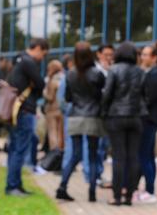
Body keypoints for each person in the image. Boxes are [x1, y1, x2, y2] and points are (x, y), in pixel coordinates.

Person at [56, 42, 106, 203]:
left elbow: (68, 98)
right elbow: (102, 96)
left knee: (75, 155)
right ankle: (92, 192)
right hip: (92, 117)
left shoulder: (70, 74)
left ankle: (62, 186)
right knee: (92, 156)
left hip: (75, 117)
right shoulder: (97, 74)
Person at [102, 41, 146, 206]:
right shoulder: (140, 72)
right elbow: (145, 96)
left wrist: (104, 112)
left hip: (117, 116)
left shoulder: (114, 70)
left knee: (119, 157)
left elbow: (107, 94)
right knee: (133, 157)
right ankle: (129, 195)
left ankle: (117, 196)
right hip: (135, 117)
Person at [5, 38, 49, 197]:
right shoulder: (28, 62)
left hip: (16, 111)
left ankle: (15, 184)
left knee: (15, 148)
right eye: (43, 54)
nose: (42, 58)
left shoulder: (18, 60)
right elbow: (41, 84)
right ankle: (13, 186)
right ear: (37, 48)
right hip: (24, 111)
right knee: (19, 149)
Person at [136, 40, 157, 204]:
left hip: (149, 119)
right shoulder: (153, 73)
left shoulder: (155, 75)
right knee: (147, 155)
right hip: (149, 118)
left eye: (145, 55)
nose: (142, 57)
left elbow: (149, 98)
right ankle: (148, 189)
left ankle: (149, 190)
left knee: (144, 156)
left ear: (154, 58)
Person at [94, 44, 115, 188]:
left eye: (111, 54)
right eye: (106, 54)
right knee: (97, 147)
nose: (108, 57)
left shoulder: (112, 71)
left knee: (104, 147)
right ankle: (95, 175)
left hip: (109, 115)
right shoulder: (94, 71)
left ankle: (98, 174)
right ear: (99, 54)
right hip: (97, 115)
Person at [44, 60, 64, 151]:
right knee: (61, 134)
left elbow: (50, 97)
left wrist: (44, 92)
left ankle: (54, 154)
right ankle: (60, 153)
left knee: (53, 133)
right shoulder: (64, 78)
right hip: (62, 109)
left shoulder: (51, 80)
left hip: (52, 109)